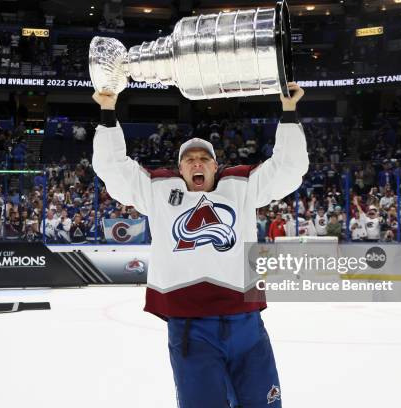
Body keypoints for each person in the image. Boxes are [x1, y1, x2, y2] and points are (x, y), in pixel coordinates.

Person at [92, 82, 308, 407]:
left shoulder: (241, 186)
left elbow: (289, 169)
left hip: (246, 324)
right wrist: (108, 112)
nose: (196, 163)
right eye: (189, 159)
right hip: (191, 329)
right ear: (179, 169)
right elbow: (114, 170)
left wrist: (289, 113)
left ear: (214, 166)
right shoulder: (159, 191)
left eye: (204, 158)